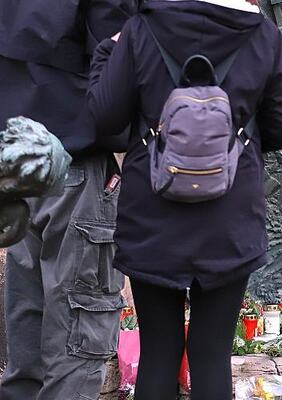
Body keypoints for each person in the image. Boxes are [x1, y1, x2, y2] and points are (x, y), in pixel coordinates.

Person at [87, 0, 282, 398]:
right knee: (211, 353)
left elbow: (105, 119)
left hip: (152, 214)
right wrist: (233, 149)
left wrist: (105, 52)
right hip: (230, 216)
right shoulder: (262, 35)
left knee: (158, 351)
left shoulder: (139, 30)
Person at [0, 1, 139, 399]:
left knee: (28, 349)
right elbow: (119, 77)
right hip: (75, 164)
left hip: (19, 169)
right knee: (78, 347)